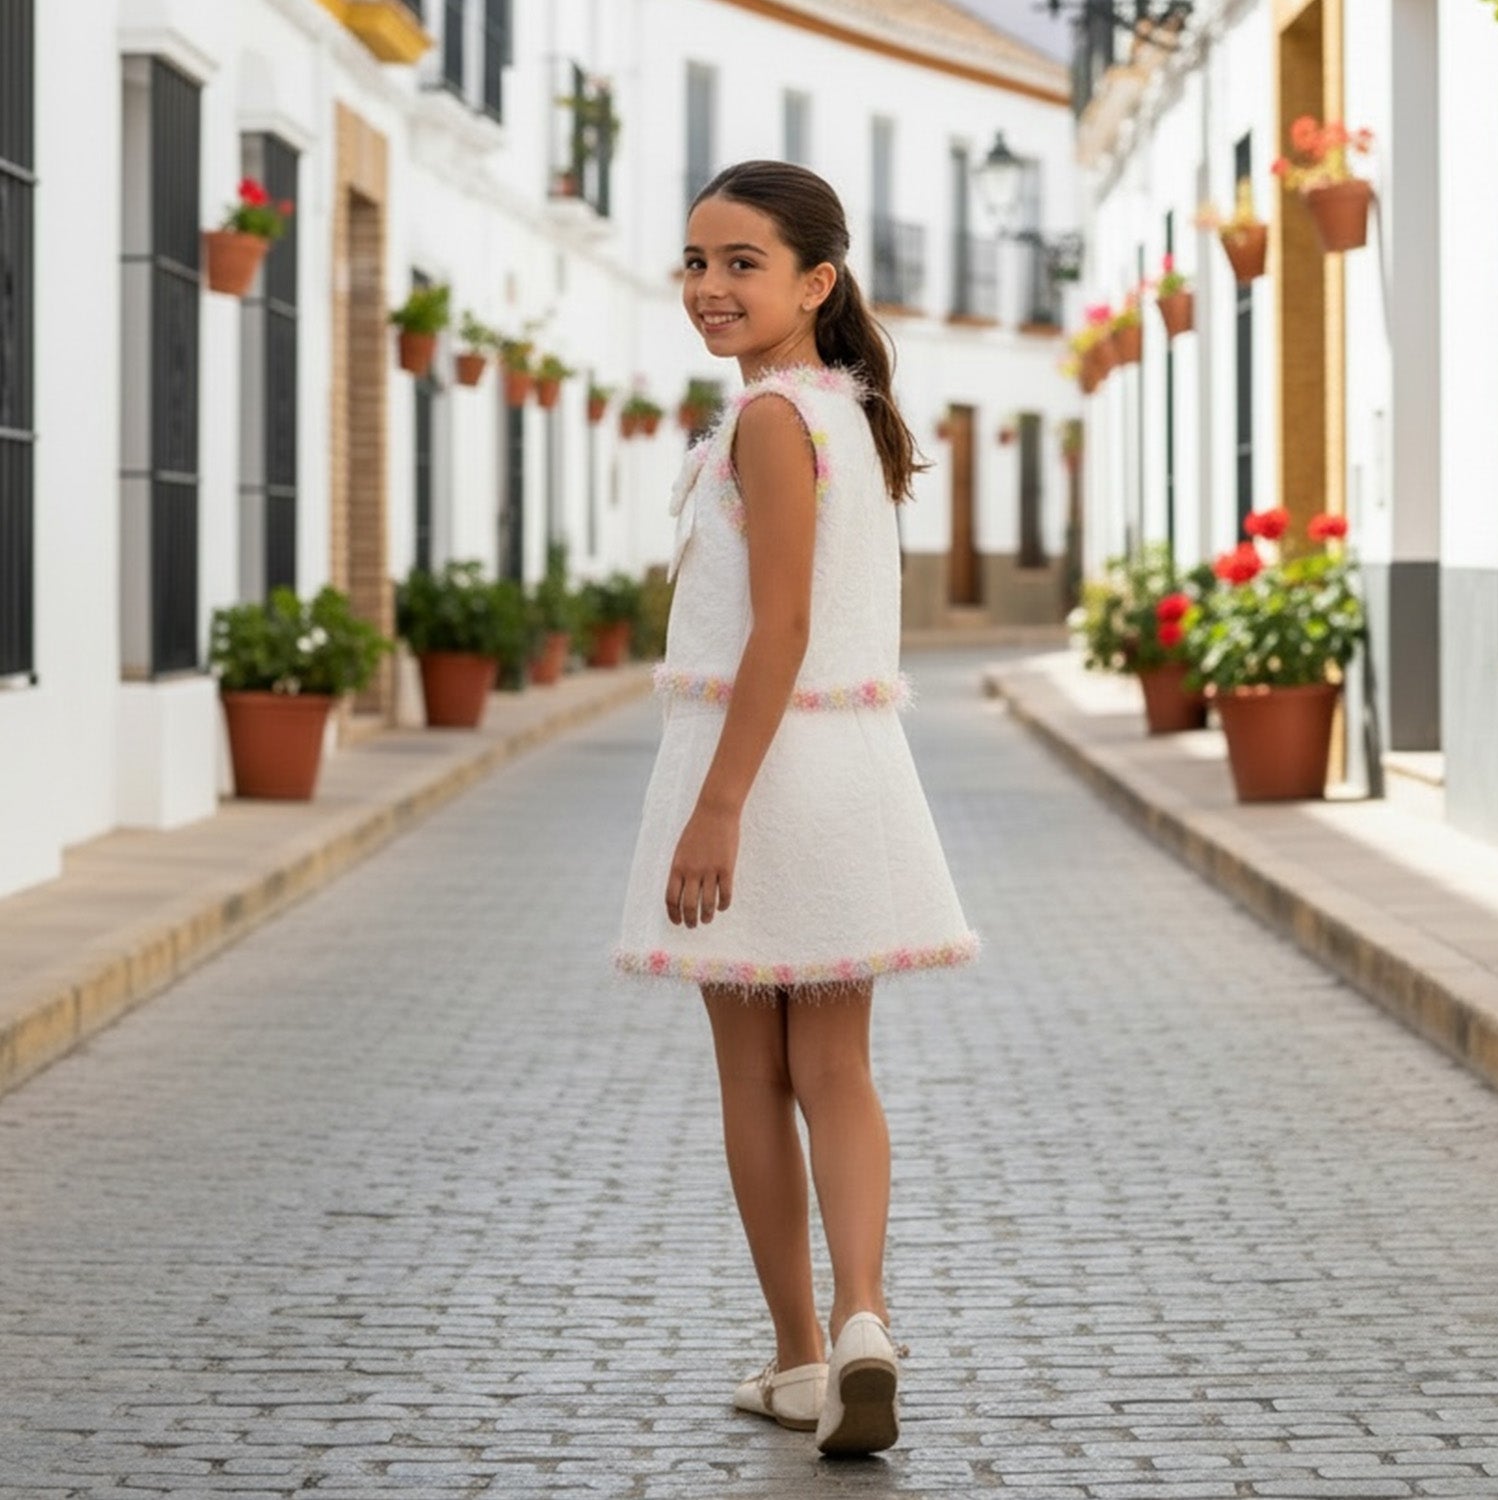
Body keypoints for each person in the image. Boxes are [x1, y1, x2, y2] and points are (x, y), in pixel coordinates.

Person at [614, 160, 976, 1457]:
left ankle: (797, 1353)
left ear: (815, 281)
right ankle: (866, 1318)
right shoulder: (852, 412)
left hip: (761, 770)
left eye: (742, 263)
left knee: (751, 1077)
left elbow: (778, 629)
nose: (710, 287)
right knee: (836, 1066)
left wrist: (716, 811)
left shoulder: (772, 421)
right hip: (853, 767)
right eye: (697, 262)